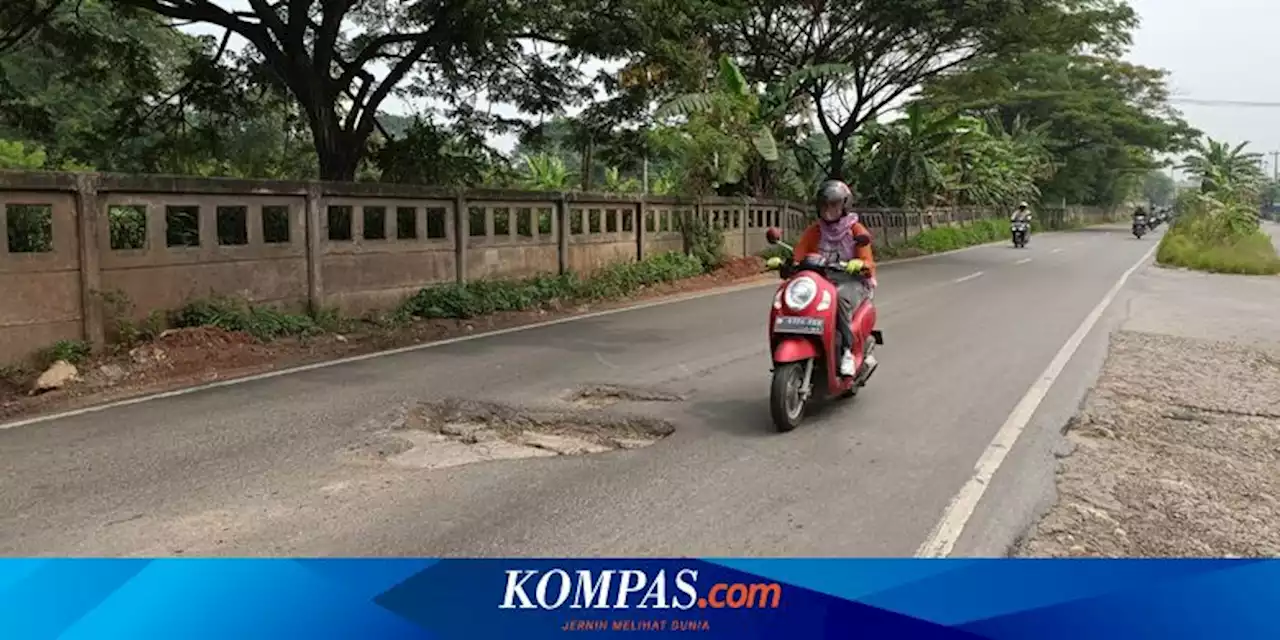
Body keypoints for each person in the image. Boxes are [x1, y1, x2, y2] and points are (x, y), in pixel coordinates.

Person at [767, 180, 876, 378]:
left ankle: (846, 352)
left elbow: (867, 261)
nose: (828, 210)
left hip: (851, 281)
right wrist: (785, 263)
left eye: (833, 205)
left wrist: (859, 264)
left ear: (844, 206)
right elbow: (799, 254)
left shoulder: (855, 230)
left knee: (839, 300)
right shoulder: (815, 230)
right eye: (825, 205)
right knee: (789, 294)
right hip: (820, 280)